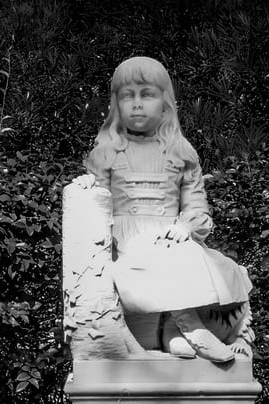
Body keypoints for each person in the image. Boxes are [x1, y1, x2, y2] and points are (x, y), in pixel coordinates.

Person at [76, 56, 253, 362]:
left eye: (147, 94)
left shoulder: (181, 154)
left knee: (226, 270)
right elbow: (94, 204)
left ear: (165, 102)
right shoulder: (105, 153)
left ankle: (173, 332)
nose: (136, 103)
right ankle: (193, 329)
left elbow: (197, 208)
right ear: (115, 103)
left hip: (173, 236)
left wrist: (185, 227)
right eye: (127, 95)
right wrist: (85, 189)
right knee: (158, 256)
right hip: (126, 243)